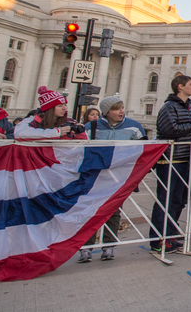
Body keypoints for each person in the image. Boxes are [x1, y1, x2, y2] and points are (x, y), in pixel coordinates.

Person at [80, 95, 144, 262]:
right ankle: (86, 247)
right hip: (96, 177)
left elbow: (144, 151)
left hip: (119, 178)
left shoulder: (135, 127)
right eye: (117, 108)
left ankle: (109, 246)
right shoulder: (91, 127)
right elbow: (80, 150)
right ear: (107, 112)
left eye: (122, 108)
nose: (121, 111)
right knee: (90, 212)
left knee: (114, 212)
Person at [150, 75, 191, 254]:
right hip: (170, 159)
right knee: (165, 200)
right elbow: (168, 130)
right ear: (180, 87)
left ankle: (169, 233)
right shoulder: (169, 107)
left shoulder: (188, 107)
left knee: (178, 200)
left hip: (186, 158)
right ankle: (158, 238)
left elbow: (188, 132)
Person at [13, 87, 88, 140]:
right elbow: (19, 133)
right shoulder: (33, 121)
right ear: (49, 109)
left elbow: (83, 143)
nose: (64, 108)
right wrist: (56, 132)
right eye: (59, 106)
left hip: (68, 161)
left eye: (65, 105)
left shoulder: (70, 121)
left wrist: (80, 133)